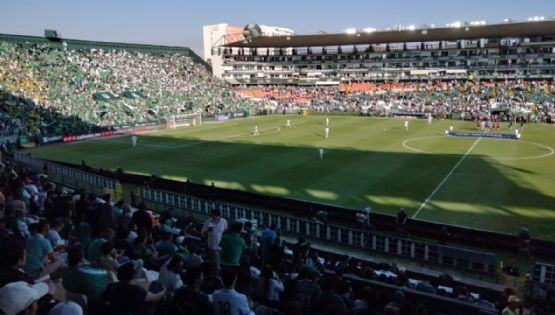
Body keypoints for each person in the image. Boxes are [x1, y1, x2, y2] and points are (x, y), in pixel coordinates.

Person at [201, 209, 228, 274]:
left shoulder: (223, 221)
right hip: (212, 246)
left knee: (220, 262)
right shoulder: (208, 222)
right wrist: (207, 231)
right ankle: (216, 276)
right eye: (212, 216)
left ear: (219, 216)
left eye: (214, 216)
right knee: (215, 263)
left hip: (221, 246)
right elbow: (202, 233)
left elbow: (225, 231)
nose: (212, 217)